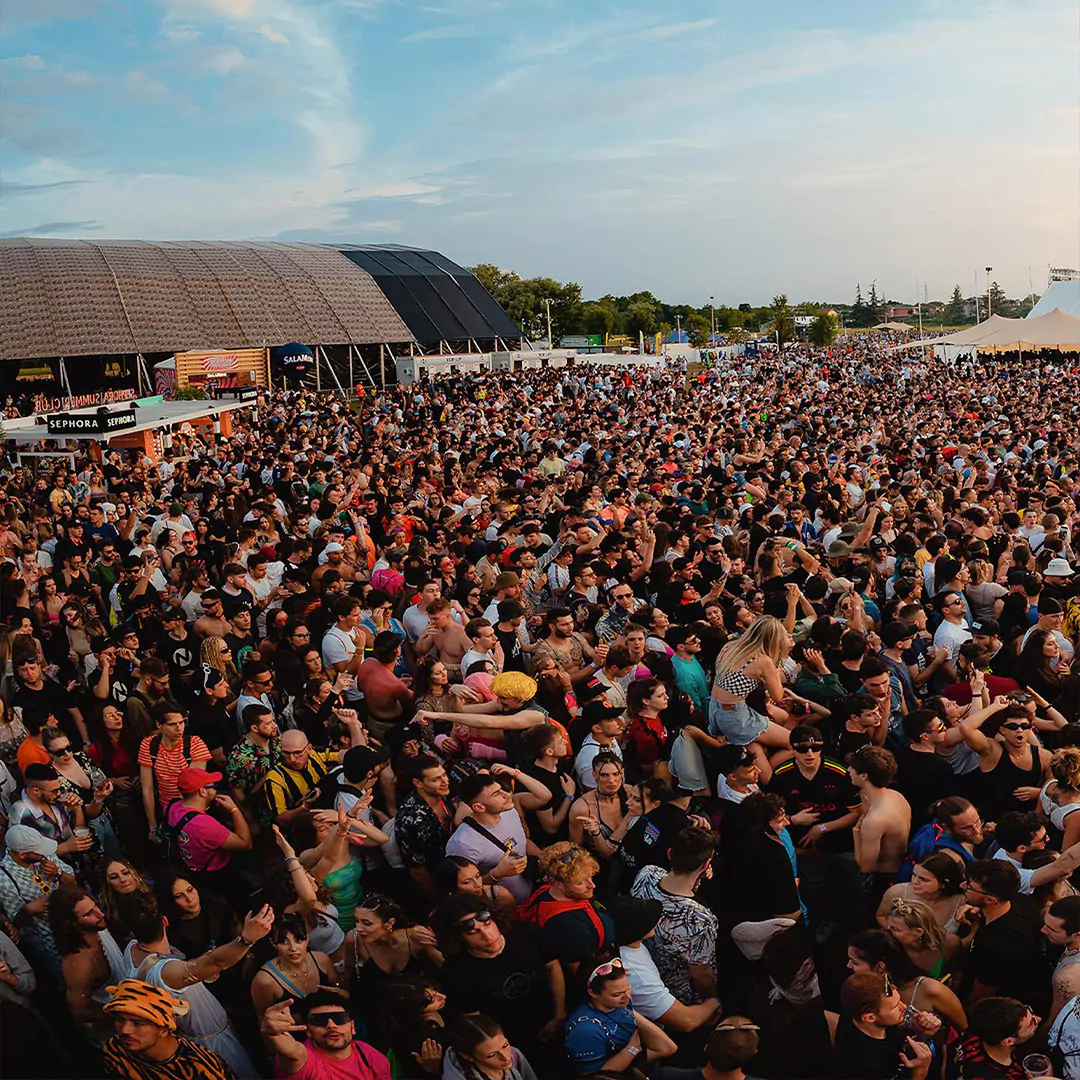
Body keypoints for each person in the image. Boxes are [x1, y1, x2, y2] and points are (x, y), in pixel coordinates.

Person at [121, 898, 274, 1077]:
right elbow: (216, 962)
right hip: (212, 1046)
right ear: (165, 921)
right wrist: (247, 939)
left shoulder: (131, 950)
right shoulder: (165, 972)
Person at [630, 826, 720, 1005]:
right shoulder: (700, 919)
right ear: (705, 865)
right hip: (677, 995)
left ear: (670, 854)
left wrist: (696, 880)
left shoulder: (647, 874)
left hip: (639, 975)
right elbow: (700, 973)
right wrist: (712, 1000)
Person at [102, 977, 238, 1080]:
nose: (125, 1030)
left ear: (163, 1029)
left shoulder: (199, 1069)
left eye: (137, 1023)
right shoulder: (115, 1049)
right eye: (120, 1020)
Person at [563, 957, 678, 1075]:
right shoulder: (585, 1031)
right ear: (592, 993)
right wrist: (632, 1048)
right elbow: (591, 1076)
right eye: (617, 994)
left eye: (628, 988)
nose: (627, 997)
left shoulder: (618, 1004)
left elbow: (668, 1048)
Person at [444, 768, 534, 903]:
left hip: (532, 893)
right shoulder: (462, 844)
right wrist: (498, 873)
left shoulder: (509, 812)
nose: (507, 795)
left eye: (501, 789)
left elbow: (523, 843)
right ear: (479, 807)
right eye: (496, 794)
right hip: (504, 909)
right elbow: (462, 890)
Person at [48, 884, 127, 1036]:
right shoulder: (79, 965)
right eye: (89, 914)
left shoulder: (97, 928)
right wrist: (121, 1012)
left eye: (95, 906)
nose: (100, 914)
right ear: (72, 924)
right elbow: (80, 1011)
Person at [260, 990, 392, 1079]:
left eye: (339, 1018)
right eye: (319, 1020)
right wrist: (275, 1035)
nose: (331, 1025)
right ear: (308, 1031)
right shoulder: (304, 1060)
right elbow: (294, 1054)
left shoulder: (372, 1058)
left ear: (352, 1027)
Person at [833, 971, 935, 1080]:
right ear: (870, 1017)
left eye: (899, 1000)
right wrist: (920, 1072)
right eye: (895, 1007)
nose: (904, 1006)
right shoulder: (867, 1065)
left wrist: (919, 1029)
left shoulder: (855, 1010)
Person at [848, 746, 912, 887]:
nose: (848, 770)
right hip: (901, 869)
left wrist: (856, 834)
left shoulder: (875, 820)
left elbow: (866, 867)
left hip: (883, 879)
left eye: (852, 767)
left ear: (864, 776)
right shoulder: (897, 797)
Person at [949, 996, 1040, 1080]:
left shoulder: (974, 1033)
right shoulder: (994, 1076)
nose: (1039, 1019)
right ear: (1008, 1041)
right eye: (1031, 1023)